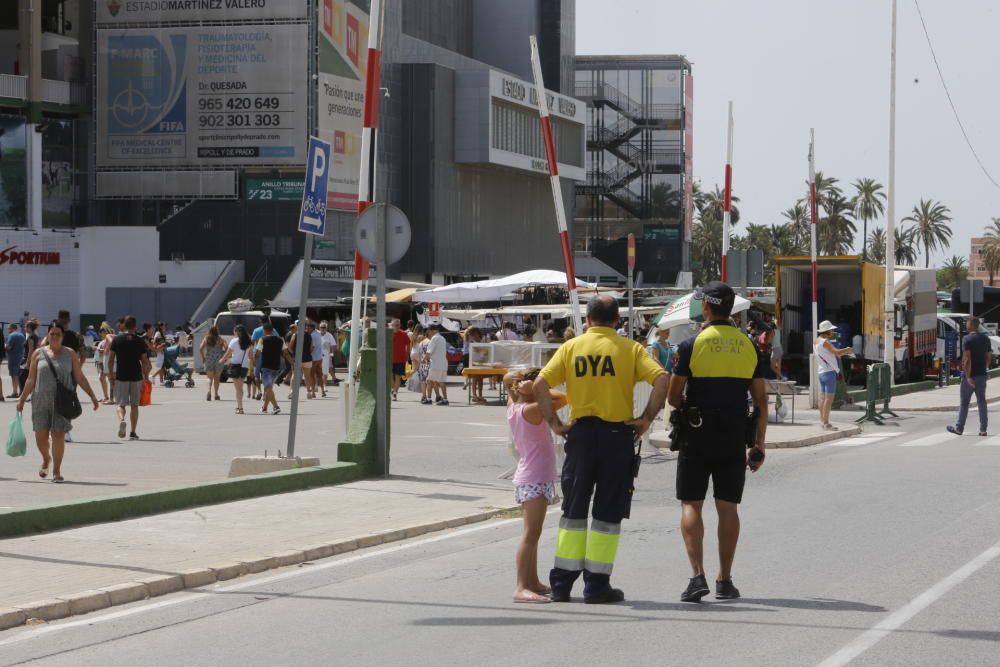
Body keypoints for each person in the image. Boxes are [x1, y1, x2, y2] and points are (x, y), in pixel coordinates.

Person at [534, 295, 670, 604]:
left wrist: (555, 423)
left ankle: (561, 584)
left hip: (581, 436)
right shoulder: (630, 349)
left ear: (588, 318)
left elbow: (540, 385)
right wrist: (646, 419)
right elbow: (662, 378)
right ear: (617, 320)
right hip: (615, 436)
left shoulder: (571, 347)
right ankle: (597, 585)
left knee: (573, 509)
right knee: (608, 511)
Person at [668, 281, 768, 602]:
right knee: (728, 507)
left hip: (696, 435)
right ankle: (725, 580)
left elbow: (673, 397)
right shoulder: (750, 345)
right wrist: (759, 445)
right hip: (734, 436)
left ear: (707, 308)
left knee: (691, 504)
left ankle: (697, 576)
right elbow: (761, 402)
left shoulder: (690, 345)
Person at [504, 368, 566, 604]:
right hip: (533, 477)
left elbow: (506, 377)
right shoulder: (532, 409)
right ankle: (521, 586)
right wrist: (538, 388)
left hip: (534, 476)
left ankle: (532, 581)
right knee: (530, 534)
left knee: (534, 533)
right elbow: (563, 398)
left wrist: (523, 385)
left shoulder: (514, 406)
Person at [16, 324, 100, 482]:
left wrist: (93, 396)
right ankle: (46, 458)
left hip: (62, 401)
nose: (54, 336)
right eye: (52, 333)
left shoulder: (70, 354)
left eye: (58, 334)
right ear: (47, 335)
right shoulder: (37, 353)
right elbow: (30, 379)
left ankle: (56, 470)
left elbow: (80, 377)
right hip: (40, 400)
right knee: (40, 435)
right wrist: (21, 399)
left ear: (62, 336)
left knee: (58, 434)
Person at [108, 316, 152, 440]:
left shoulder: (116, 340)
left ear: (124, 326)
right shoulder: (139, 341)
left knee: (121, 404)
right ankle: (133, 432)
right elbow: (144, 361)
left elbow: (111, 360)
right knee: (134, 405)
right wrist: (146, 377)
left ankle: (122, 419)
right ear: (134, 326)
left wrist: (111, 375)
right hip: (136, 376)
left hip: (121, 376)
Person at [948, 316, 992, 437]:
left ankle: (959, 428)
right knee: (982, 402)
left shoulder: (967, 339)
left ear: (972, 325)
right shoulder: (985, 339)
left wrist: (968, 377)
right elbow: (989, 356)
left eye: (967, 323)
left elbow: (967, 359)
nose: (966, 325)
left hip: (970, 376)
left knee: (964, 402)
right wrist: (985, 368)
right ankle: (983, 430)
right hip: (982, 375)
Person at [814, 320, 853, 431]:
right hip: (829, 372)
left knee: (822, 399)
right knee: (829, 399)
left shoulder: (816, 341)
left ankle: (822, 421)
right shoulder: (825, 342)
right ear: (827, 331)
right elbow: (837, 352)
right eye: (831, 330)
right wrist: (847, 350)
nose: (832, 331)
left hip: (821, 372)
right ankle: (826, 423)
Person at [220, 324, 253, 414]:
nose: (233, 332)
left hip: (235, 366)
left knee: (238, 389)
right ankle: (238, 406)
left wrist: (222, 360)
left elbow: (228, 352)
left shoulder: (234, 341)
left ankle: (240, 408)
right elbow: (250, 356)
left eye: (234, 331)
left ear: (237, 332)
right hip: (244, 366)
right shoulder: (249, 342)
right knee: (240, 388)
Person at [258, 322, 284, 415]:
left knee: (268, 387)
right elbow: (285, 352)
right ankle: (264, 407)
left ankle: (276, 406)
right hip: (276, 367)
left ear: (264, 331)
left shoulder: (262, 339)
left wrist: (254, 361)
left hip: (266, 367)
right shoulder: (280, 340)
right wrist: (292, 362)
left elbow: (258, 351)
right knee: (269, 388)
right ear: (272, 330)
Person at [423, 324, 449, 406]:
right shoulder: (442, 338)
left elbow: (429, 351)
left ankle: (429, 398)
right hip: (443, 363)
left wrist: (424, 359)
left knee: (429, 380)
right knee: (441, 382)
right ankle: (445, 399)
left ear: (432, 330)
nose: (429, 333)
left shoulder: (434, 338)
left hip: (435, 363)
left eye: (429, 331)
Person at [200, 325, 225, 401]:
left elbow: (200, 348)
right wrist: (224, 356)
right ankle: (216, 394)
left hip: (209, 360)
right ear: (217, 331)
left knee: (209, 378)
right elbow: (227, 347)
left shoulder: (207, 338)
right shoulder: (220, 339)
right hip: (219, 360)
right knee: (217, 378)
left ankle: (209, 391)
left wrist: (203, 358)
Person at [390, 318, 410, 401]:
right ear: (391, 325)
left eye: (398, 325)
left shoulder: (404, 334)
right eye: (395, 325)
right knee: (390, 376)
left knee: (398, 377)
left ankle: (395, 393)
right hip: (389, 359)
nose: (396, 326)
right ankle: (392, 389)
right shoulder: (388, 333)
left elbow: (408, 345)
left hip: (400, 359)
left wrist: (407, 355)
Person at [6, 323, 26, 397]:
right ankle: (18, 391)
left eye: (8, 328)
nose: (8, 330)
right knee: (18, 374)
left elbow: (9, 347)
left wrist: (4, 347)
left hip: (13, 357)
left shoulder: (11, 335)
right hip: (21, 357)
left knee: (14, 375)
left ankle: (14, 392)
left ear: (12, 328)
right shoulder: (22, 335)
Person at [95, 323, 114, 404]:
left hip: (105, 362)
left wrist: (102, 350)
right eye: (100, 331)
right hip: (101, 363)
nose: (100, 333)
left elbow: (108, 351)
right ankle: (107, 396)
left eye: (102, 331)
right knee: (103, 378)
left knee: (110, 379)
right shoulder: (103, 341)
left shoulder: (108, 339)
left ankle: (111, 398)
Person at [319, 320, 340, 388]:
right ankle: (333, 379)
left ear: (326, 328)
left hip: (326, 356)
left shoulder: (329, 335)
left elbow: (333, 345)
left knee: (327, 369)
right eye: (321, 327)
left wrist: (332, 353)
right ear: (319, 328)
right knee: (323, 369)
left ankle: (325, 385)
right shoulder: (316, 334)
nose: (322, 328)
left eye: (324, 327)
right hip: (317, 356)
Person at [308, 320, 327, 397]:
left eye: (308, 328)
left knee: (312, 375)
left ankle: (313, 392)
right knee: (319, 375)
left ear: (311, 328)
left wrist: (307, 353)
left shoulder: (312, 335)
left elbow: (312, 347)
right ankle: (322, 391)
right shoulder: (319, 333)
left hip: (314, 358)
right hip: (319, 357)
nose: (307, 329)